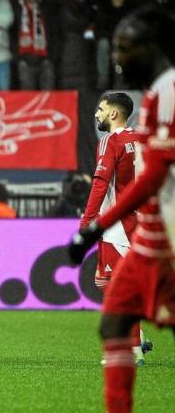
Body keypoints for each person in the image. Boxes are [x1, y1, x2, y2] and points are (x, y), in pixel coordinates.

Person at [68, 7, 175, 413]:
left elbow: (106, 183)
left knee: (113, 295)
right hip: (144, 224)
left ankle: (135, 346)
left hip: (142, 226)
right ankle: (135, 345)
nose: (118, 55)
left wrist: (91, 223)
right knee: (115, 307)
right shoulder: (149, 107)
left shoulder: (157, 102)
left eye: (124, 46)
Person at [79, 92, 153, 366]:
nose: (96, 114)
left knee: (116, 288)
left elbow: (100, 183)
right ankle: (138, 336)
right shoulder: (142, 139)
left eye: (100, 109)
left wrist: (86, 222)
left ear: (113, 114)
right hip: (142, 222)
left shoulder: (110, 141)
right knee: (108, 282)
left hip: (117, 225)